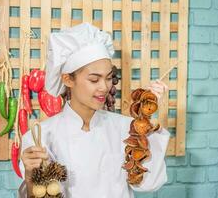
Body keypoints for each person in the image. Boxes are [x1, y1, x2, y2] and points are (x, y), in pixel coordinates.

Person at [18, 22, 170, 198]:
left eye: (108, 78)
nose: (104, 87)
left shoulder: (126, 129)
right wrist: (30, 177)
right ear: (68, 79)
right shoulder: (42, 136)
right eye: (94, 79)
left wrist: (147, 116)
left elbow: (148, 184)